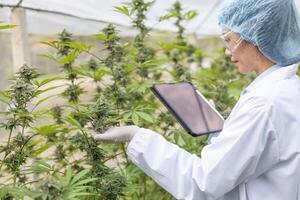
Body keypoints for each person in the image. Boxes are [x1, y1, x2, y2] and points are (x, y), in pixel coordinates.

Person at [93, 0, 300, 199]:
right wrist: (222, 131)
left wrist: (138, 137)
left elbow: (203, 183)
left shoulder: (264, 104)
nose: (227, 51)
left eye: (229, 39)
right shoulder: (289, 87)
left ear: (255, 35)